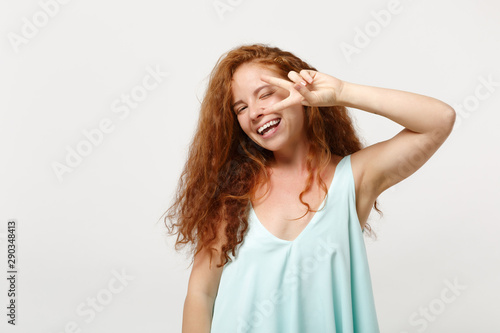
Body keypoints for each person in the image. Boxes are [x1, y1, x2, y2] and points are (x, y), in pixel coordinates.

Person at [163, 43, 456, 332]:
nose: (254, 112)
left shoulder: (354, 179)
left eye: (265, 94)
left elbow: (439, 120)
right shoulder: (234, 195)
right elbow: (201, 295)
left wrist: (342, 92)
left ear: (301, 91)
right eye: (241, 108)